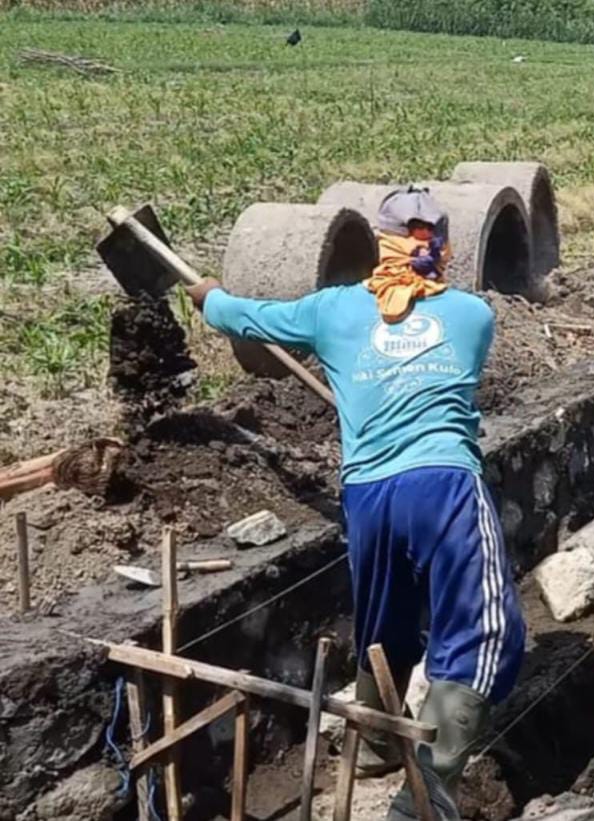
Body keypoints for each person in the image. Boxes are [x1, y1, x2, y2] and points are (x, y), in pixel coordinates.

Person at [186, 185, 525, 821]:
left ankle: (372, 744)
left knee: (386, 620)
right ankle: (431, 791)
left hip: (368, 494)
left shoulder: (331, 311)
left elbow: (246, 316)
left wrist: (209, 298)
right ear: (443, 245)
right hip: (443, 481)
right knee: (484, 627)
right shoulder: (473, 316)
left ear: (380, 245)